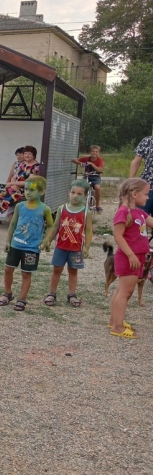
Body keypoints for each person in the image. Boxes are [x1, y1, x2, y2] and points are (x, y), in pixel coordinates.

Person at [0, 176, 54, 312]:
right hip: (16, 245)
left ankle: (22, 299)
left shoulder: (45, 209)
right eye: (26, 189)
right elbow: (13, 224)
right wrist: (7, 240)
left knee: (26, 274)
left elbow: (51, 226)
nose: (27, 192)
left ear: (42, 192)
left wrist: (46, 240)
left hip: (32, 248)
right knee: (8, 269)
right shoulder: (19, 206)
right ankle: (7, 293)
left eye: (32, 190)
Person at [109, 178, 153, 338]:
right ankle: (118, 327)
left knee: (121, 290)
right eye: (146, 194)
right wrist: (130, 255)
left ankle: (114, 320)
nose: (148, 197)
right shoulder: (123, 212)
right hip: (130, 258)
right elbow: (118, 236)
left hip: (137, 257)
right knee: (125, 293)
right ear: (135, 194)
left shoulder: (139, 213)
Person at [42, 180, 93, 307]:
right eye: (73, 192)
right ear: (68, 193)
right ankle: (52, 293)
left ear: (85, 196)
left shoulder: (86, 212)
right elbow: (55, 227)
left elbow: (88, 231)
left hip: (76, 248)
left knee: (73, 270)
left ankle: (72, 294)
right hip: (61, 246)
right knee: (57, 269)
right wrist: (48, 240)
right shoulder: (62, 209)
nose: (75, 196)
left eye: (79, 194)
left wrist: (86, 247)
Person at [0, 145, 41, 223]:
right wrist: (12, 184)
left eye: (29, 154)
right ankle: (8, 219)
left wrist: (13, 184)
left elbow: (29, 182)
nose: (27, 155)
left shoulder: (36, 167)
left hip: (27, 189)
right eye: (25, 153)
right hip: (15, 187)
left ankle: (14, 223)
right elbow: (14, 176)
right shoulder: (22, 164)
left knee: (5, 197)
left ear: (34, 155)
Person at [73, 145, 104, 212]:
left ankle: (97, 205)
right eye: (93, 151)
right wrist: (80, 163)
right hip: (87, 176)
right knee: (81, 188)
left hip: (95, 176)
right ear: (90, 152)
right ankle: (79, 202)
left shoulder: (99, 160)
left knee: (97, 187)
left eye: (96, 152)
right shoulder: (86, 158)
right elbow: (74, 160)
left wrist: (91, 164)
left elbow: (99, 169)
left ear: (98, 153)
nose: (94, 153)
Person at [130, 127, 153, 216]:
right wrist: (131, 181)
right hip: (147, 187)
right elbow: (136, 161)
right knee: (140, 217)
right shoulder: (147, 141)